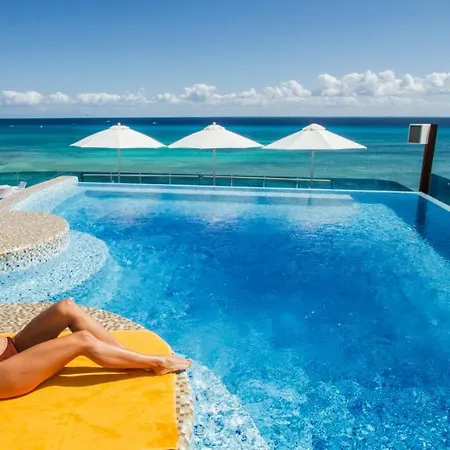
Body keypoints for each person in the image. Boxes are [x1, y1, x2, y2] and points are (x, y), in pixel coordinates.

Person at [0, 299, 192, 400]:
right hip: (5, 376)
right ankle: (157, 363)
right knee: (82, 340)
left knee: (66, 308)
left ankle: (124, 356)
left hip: (10, 347)